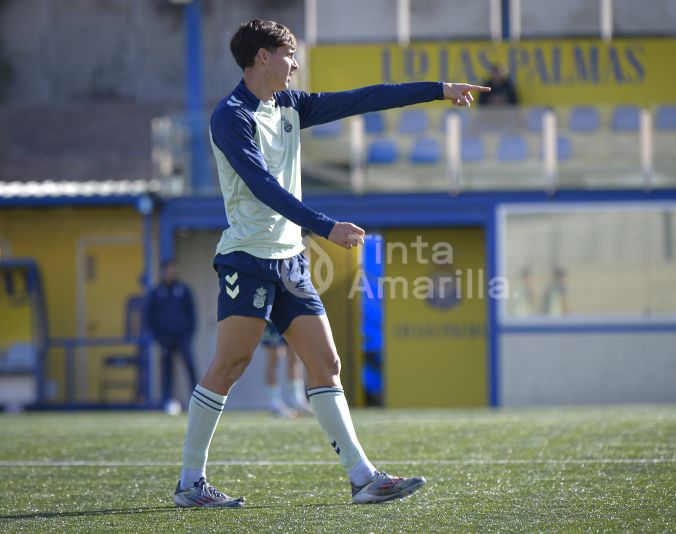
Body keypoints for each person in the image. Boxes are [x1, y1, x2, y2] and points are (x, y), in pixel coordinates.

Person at [172, 19, 490, 508]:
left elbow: (365, 98)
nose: (295, 64)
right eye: (289, 54)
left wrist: (439, 90)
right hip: (247, 260)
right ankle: (190, 483)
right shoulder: (230, 117)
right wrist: (326, 226)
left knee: (326, 363)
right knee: (230, 365)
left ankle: (362, 477)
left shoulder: (290, 106)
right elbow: (263, 187)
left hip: (290, 260)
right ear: (262, 57)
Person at [145, 259, 197, 413]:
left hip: (183, 337)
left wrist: (189, 334)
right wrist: (158, 337)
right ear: (162, 271)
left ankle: (195, 401)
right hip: (164, 339)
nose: (171, 272)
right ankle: (168, 401)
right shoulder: (156, 292)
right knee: (167, 371)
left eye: (173, 269)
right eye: (168, 269)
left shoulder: (184, 289)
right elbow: (150, 317)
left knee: (190, 367)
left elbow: (192, 314)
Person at [262, 320, 311, 417]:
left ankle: (297, 400)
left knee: (295, 355)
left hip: (289, 313)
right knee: (274, 356)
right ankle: (274, 403)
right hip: (271, 316)